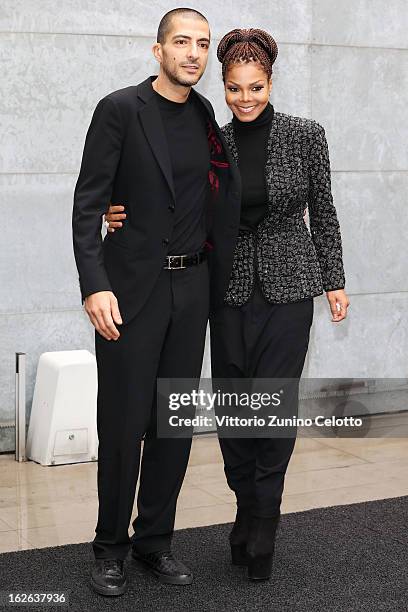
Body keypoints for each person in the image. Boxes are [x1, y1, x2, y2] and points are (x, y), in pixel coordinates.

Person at [106, 27, 350, 582]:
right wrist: (117, 214)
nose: (245, 99)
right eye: (236, 88)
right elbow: (175, 196)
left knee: (274, 406)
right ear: (224, 84)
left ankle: (264, 520)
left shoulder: (306, 137)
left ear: (270, 81)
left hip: (291, 288)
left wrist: (334, 280)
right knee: (236, 411)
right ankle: (244, 509)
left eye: (256, 87)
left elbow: (325, 213)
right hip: (226, 291)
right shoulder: (212, 139)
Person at [72, 8, 241, 597]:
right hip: (129, 293)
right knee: (122, 423)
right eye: (181, 43)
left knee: (172, 424)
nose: (192, 53)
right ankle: (109, 548)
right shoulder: (119, 109)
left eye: (202, 44)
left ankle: (155, 543)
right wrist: (95, 284)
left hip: (190, 291)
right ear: (157, 50)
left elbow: (212, 199)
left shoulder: (204, 115)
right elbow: (90, 203)